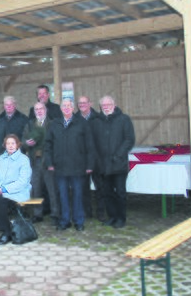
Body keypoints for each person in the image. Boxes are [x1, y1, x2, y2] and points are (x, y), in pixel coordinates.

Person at [44, 99, 96, 232]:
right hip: (59, 167)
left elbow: (90, 146)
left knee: (78, 195)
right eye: (64, 106)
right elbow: (48, 145)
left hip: (78, 167)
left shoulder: (82, 123)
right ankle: (65, 220)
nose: (66, 108)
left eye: (69, 106)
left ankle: (79, 221)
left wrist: (90, 164)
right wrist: (49, 163)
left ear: (73, 108)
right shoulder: (54, 124)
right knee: (63, 195)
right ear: (61, 108)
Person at [92, 95, 135, 229]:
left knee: (120, 192)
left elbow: (129, 139)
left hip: (118, 164)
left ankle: (121, 218)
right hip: (103, 165)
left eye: (108, 105)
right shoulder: (96, 121)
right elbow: (93, 142)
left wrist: (118, 155)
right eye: (103, 105)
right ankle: (112, 217)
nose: (106, 107)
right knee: (107, 193)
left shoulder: (124, 119)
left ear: (114, 105)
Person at [0, 134, 32, 245]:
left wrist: (5, 189)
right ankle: (7, 228)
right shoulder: (0, 159)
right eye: (8, 143)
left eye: (13, 143)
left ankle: (6, 233)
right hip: (1, 192)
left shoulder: (23, 160)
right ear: (5, 145)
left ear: (17, 145)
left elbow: (23, 181)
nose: (10, 146)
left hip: (18, 192)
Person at [23, 102, 58, 224]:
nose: (39, 111)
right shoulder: (30, 124)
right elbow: (23, 141)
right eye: (36, 109)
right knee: (36, 188)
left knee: (52, 189)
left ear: (46, 110)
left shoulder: (53, 123)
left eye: (41, 109)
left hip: (48, 161)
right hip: (35, 161)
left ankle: (55, 214)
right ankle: (38, 214)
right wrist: (27, 143)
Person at [75, 96, 104, 220]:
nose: (82, 105)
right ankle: (87, 212)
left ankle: (101, 213)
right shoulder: (74, 119)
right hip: (81, 160)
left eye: (84, 103)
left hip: (97, 159)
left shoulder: (99, 118)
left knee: (100, 187)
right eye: (80, 103)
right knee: (83, 188)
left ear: (90, 103)